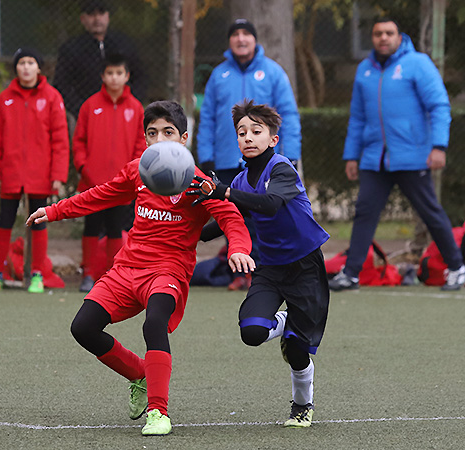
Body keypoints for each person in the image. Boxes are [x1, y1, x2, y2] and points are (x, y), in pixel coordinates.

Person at [26, 100, 254, 436]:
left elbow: (231, 217)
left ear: (183, 139)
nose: (159, 139)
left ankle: (158, 412)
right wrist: (55, 210)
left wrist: (239, 248)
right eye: (152, 133)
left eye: (168, 132)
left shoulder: (198, 182)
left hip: (169, 270)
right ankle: (139, 374)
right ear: (145, 139)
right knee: (83, 328)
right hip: (127, 267)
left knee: (155, 322)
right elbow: (99, 195)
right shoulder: (138, 171)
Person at [188, 100, 330, 428]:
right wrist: (186, 235)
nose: (249, 137)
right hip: (269, 267)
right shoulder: (239, 182)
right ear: (236, 140)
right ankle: (286, 322)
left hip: (305, 266)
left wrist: (222, 192)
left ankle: (302, 405)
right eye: (242, 132)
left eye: (256, 131)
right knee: (251, 332)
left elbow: (269, 205)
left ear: (273, 139)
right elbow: (228, 220)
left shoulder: (281, 168)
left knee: (297, 350)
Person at [329, 17, 465, 292]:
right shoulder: (365, 70)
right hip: (373, 159)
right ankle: (352, 273)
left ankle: (457, 268)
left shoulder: (418, 64)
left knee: (430, 213)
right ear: (372, 37)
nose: (383, 38)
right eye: (378, 33)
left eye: (389, 33)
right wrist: (351, 156)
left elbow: (439, 106)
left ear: (399, 36)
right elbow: (357, 118)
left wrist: (439, 147)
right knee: (364, 213)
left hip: (412, 157)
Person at [196, 18, 301, 290]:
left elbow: (288, 114)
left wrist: (290, 154)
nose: (241, 39)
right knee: (232, 216)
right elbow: (206, 117)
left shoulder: (273, 72)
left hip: (263, 162)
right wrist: (206, 155)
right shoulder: (219, 75)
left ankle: (263, 271)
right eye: (235, 34)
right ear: (230, 41)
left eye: (246, 34)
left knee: (262, 216)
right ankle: (239, 271)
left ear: (255, 40)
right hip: (227, 159)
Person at [0, 47, 70, 294]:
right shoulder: (5, 99)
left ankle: (37, 275)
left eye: (31, 62)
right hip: (10, 173)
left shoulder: (52, 97)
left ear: (39, 67)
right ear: (16, 68)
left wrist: (57, 175)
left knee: (40, 224)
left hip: (39, 175)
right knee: (5, 222)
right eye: (22, 62)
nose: (26, 67)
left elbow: (60, 140)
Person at [73, 53, 146, 292]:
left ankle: (113, 274)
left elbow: (140, 144)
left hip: (121, 185)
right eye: (110, 73)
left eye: (119, 73)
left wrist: (130, 175)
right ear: (103, 76)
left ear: (126, 76)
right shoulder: (89, 105)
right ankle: (88, 274)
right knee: (91, 227)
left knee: (116, 228)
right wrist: (84, 168)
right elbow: (79, 142)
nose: (114, 78)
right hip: (92, 184)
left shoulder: (136, 108)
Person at [53, 0, 145, 117]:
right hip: (88, 115)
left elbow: (140, 77)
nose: (97, 19)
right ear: (83, 19)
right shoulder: (71, 49)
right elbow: (62, 84)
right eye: (91, 14)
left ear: (108, 16)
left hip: (124, 113)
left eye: (101, 13)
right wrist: (82, 110)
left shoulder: (124, 44)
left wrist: (130, 103)